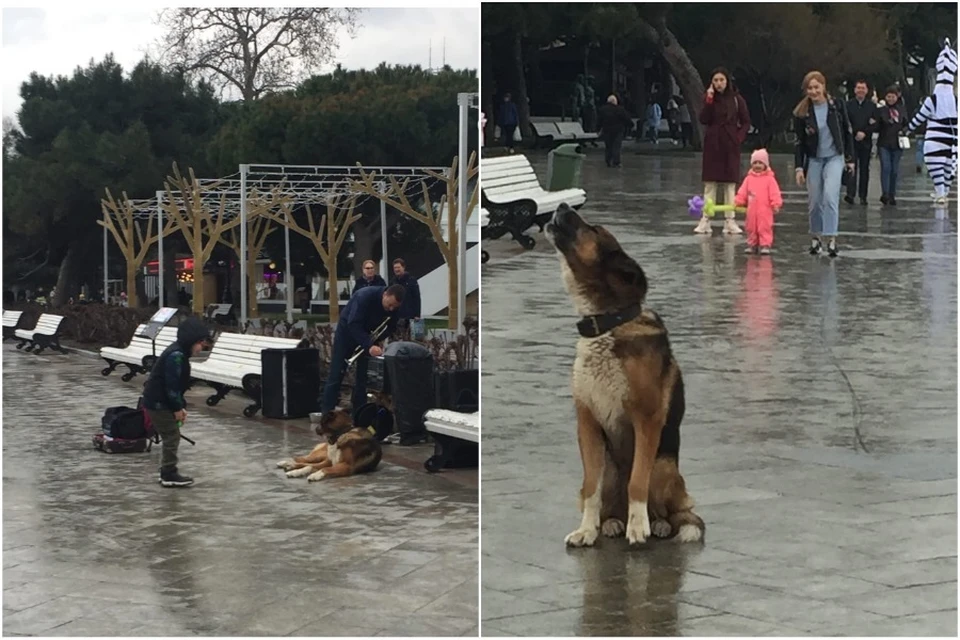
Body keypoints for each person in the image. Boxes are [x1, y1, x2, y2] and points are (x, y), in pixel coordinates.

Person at [141, 317, 212, 487]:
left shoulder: (178, 352)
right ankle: (168, 473)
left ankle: (168, 471)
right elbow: (171, 386)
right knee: (172, 436)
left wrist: (181, 405)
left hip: (158, 401)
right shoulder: (176, 356)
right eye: (201, 344)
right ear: (192, 341)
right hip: (159, 403)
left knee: (171, 434)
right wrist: (177, 408)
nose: (202, 348)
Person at [793, 70, 855, 258]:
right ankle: (816, 237)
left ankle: (831, 239)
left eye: (816, 87)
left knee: (830, 196)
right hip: (814, 159)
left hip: (834, 157)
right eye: (809, 88)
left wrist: (850, 159)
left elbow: (847, 131)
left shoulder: (836, 106)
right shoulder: (802, 113)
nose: (813, 91)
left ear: (823, 86)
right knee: (815, 202)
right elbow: (799, 142)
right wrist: (798, 168)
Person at [320, 284, 405, 414]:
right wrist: (369, 345)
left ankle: (358, 413)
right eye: (389, 304)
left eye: (394, 307)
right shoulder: (364, 296)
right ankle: (326, 413)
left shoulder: (394, 308)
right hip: (347, 334)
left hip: (368, 337)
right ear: (385, 294)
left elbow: (391, 327)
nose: (391, 309)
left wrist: (377, 340)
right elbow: (353, 323)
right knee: (336, 374)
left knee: (363, 378)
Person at [695, 67, 751, 235]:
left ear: (727, 81)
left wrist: (738, 137)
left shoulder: (737, 99)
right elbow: (703, 119)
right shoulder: (709, 98)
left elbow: (746, 122)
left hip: (730, 145)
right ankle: (705, 219)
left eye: (721, 80)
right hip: (713, 144)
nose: (719, 84)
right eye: (715, 80)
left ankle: (730, 220)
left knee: (729, 185)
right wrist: (709, 100)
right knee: (710, 184)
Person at [907, 39, 958, 205]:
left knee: (935, 163)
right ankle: (943, 192)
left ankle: (940, 192)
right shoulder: (955, 100)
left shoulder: (933, 99)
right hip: (952, 139)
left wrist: (908, 129)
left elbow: (920, 117)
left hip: (936, 136)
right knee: (948, 165)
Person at [736, 148, 783, 255]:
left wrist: (776, 203)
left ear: (765, 165)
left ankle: (765, 244)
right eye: (755, 163)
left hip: (765, 210)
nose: (757, 166)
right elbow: (742, 191)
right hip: (752, 210)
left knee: (765, 227)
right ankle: (752, 244)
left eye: (760, 163)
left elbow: (775, 193)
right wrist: (739, 200)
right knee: (751, 227)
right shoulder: (748, 179)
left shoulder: (770, 179)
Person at [844, 80, 878, 205]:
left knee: (865, 169)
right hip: (852, 142)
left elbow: (875, 123)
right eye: (858, 88)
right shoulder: (848, 105)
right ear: (854, 90)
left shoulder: (871, 106)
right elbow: (846, 122)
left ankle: (863, 195)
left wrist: (864, 132)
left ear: (867, 90)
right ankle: (850, 194)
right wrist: (854, 133)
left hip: (866, 141)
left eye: (863, 88)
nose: (860, 90)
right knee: (852, 167)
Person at [876, 85, 909, 206]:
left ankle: (892, 194)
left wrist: (904, 131)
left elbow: (906, 123)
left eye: (893, 96)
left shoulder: (902, 109)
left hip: (897, 143)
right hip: (884, 143)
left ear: (897, 97)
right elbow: (877, 125)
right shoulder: (881, 110)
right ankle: (885, 193)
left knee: (894, 170)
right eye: (888, 96)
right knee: (886, 168)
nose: (890, 99)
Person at [597, 94, 633, 168]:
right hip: (618, 131)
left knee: (608, 146)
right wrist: (630, 125)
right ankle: (616, 162)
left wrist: (598, 129)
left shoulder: (602, 109)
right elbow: (627, 119)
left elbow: (599, 121)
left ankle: (608, 160)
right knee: (616, 146)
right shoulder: (620, 109)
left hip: (607, 130)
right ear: (615, 101)